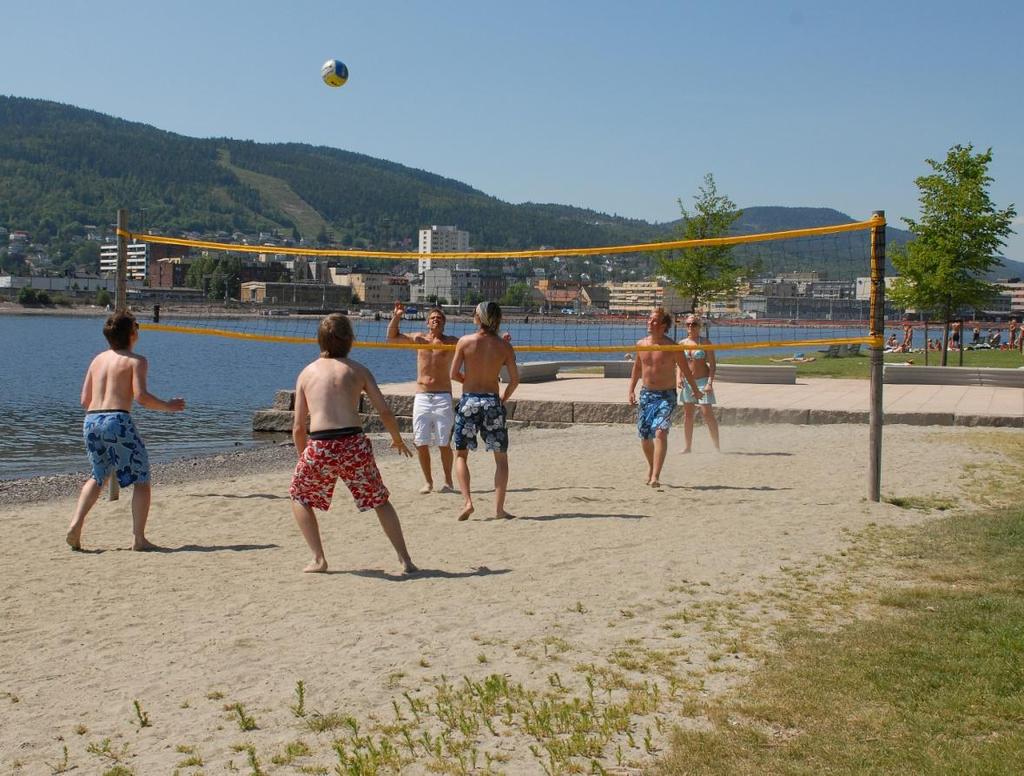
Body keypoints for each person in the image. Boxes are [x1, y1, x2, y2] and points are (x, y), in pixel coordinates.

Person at [289, 313, 417, 574]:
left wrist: (304, 456)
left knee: (300, 496)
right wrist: (396, 439)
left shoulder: (307, 373)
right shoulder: (358, 370)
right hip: (353, 442)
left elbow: (299, 427)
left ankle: (318, 558)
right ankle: (405, 559)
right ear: (350, 340)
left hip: (321, 443)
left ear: (319, 340)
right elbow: (384, 411)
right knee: (380, 500)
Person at [65, 311, 186, 551]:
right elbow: (141, 397)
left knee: (98, 475)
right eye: (137, 327)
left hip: (91, 420)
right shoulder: (136, 360)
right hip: (117, 419)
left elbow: (84, 400)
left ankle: (76, 524)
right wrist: (168, 407)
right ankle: (139, 539)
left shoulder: (97, 360)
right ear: (132, 333)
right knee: (142, 478)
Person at [450, 301, 519, 521]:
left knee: (460, 455)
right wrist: (503, 398)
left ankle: (468, 502)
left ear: (478, 318)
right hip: (492, 402)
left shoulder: (465, 341)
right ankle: (498, 509)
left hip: (469, 401)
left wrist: (468, 381)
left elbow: (453, 374)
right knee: (501, 459)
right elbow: (515, 380)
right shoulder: (504, 346)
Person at [387, 302, 459, 494]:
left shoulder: (451, 341)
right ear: (427, 322)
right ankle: (428, 482)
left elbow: (475, 345)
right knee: (421, 442)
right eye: (433, 318)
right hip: (422, 396)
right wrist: (397, 315)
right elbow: (392, 337)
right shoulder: (419, 339)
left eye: (439, 318)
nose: (436, 320)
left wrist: (501, 340)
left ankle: (448, 482)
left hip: (443, 395)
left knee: (444, 442)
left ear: (444, 323)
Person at [627, 308, 702, 488]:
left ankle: (656, 476)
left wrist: (695, 389)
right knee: (645, 436)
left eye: (655, 320)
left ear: (663, 326)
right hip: (646, 394)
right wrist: (630, 389)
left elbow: (685, 369)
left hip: (666, 395)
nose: (650, 322)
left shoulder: (673, 347)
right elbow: (637, 368)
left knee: (661, 431)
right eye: (650, 319)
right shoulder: (641, 344)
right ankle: (652, 467)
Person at [678, 314, 720, 454]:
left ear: (699, 326)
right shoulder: (682, 343)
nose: (690, 326)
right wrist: (678, 378)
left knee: (707, 413)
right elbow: (680, 364)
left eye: (694, 324)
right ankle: (688, 447)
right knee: (688, 415)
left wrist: (709, 383)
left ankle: (716, 446)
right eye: (688, 324)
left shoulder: (705, 342)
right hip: (687, 383)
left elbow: (713, 365)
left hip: (702, 381)